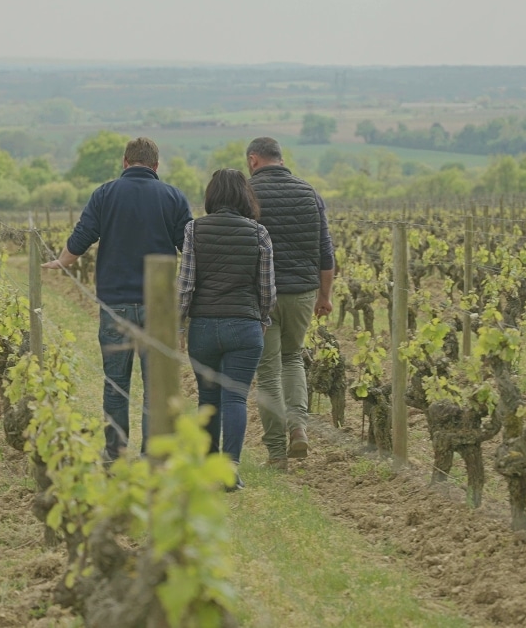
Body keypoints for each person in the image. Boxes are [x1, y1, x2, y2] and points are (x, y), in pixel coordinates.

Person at [43, 137, 192, 461]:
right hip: (159, 307)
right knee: (156, 385)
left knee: (116, 383)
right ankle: (153, 454)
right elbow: (189, 246)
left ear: (125, 162)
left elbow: (83, 235)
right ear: (156, 165)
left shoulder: (105, 194)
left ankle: (114, 452)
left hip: (115, 304)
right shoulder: (173, 196)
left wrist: (62, 261)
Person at [177, 169, 275, 491]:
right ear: (244, 196)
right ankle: (230, 469)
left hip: (203, 327)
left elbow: (186, 285)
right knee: (235, 398)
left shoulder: (193, 229)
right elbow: (267, 290)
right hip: (244, 326)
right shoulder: (259, 233)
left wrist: (180, 324)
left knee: (208, 398)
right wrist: (261, 320)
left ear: (212, 195)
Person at [246, 136, 334, 470]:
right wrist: (324, 296)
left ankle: (276, 453)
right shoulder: (309, 192)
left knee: (267, 371)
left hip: (262, 295)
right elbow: (326, 252)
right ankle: (298, 426)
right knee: (293, 358)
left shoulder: (248, 193)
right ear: (280, 159)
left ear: (254, 160)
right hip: (302, 293)